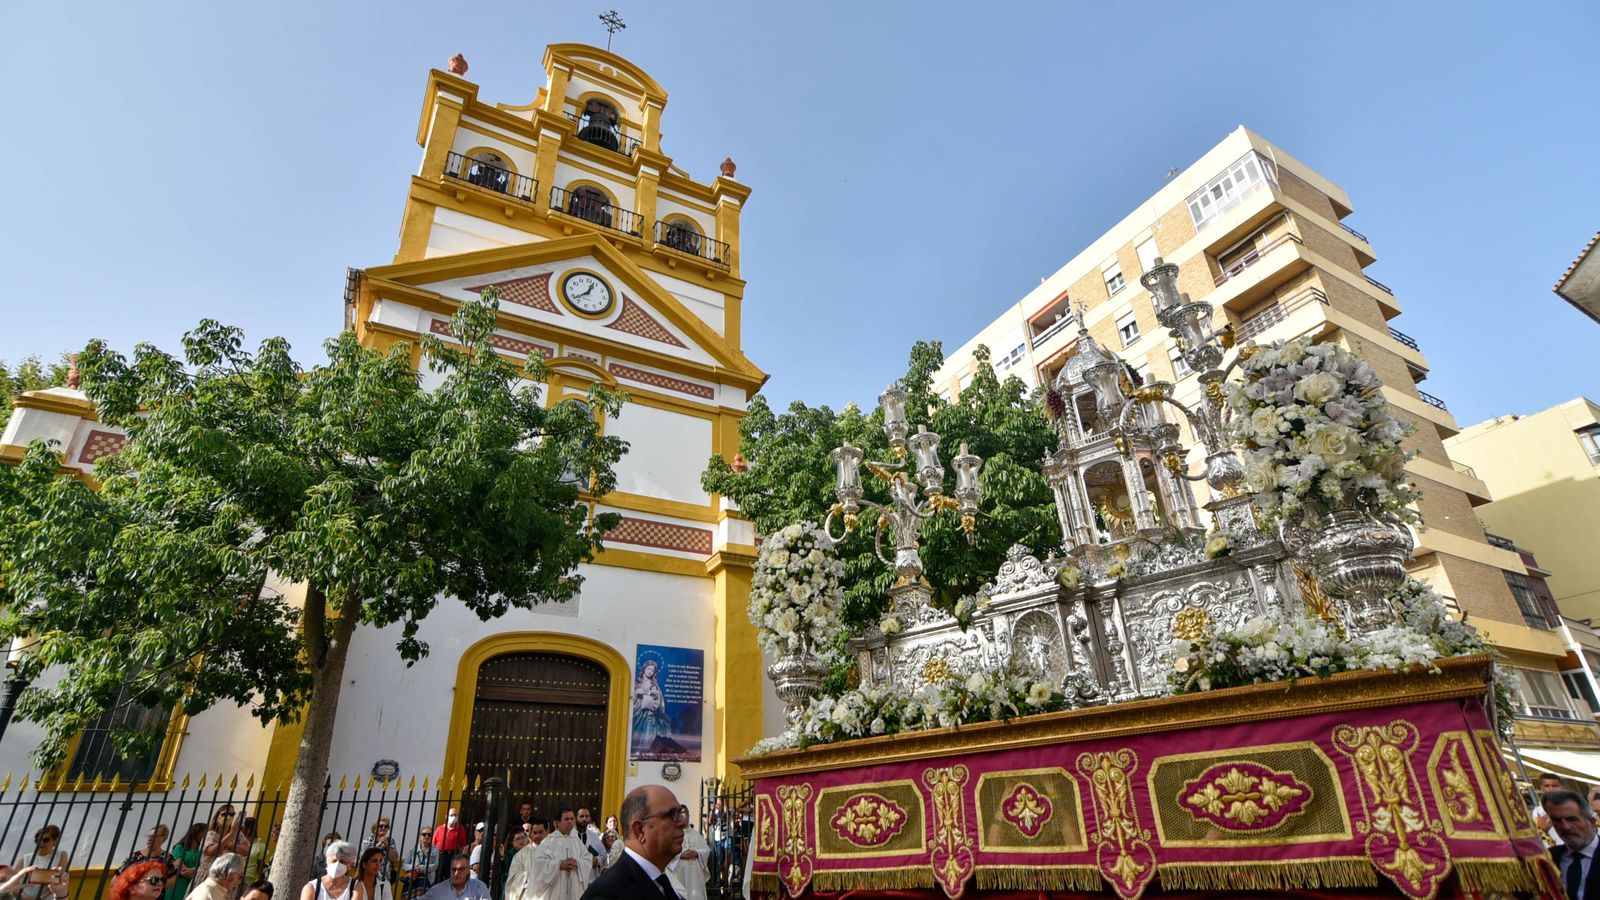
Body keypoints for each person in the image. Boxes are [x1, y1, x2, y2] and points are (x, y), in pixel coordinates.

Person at [580, 785, 687, 900]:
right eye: (671, 814)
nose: (683, 822)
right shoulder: (608, 894)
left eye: (680, 812)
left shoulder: (661, 883)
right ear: (639, 830)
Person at [1545, 788, 1600, 898]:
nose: (1565, 827)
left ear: (1592, 823)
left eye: (1572, 819)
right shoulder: (1548, 859)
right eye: (1557, 820)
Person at [528, 809, 593, 900]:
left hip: (573, 890)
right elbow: (539, 864)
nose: (570, 822)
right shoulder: (548, 842)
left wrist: (578, 863)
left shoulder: (577, 841)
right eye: (566, 819)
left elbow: (587, 858)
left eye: (571, 819)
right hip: (554, 890)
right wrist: (559, 864)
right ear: (558, 822)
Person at [664, 808, 709, 900]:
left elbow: (706, 850)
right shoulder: (672, 834)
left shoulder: (696, 834)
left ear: (688, 816)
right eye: (680, 814)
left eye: (685, 814)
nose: (683, 816)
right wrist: (680, 855)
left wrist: (696, 853)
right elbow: (666, 852)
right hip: (679, 873)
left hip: (695, 876)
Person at [14, 824, 69, 900]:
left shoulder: (61, 855)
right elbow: (12, 882)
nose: (41, 843)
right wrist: (24, 897)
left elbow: (59, 881)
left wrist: (40, 898)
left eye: (45, 840)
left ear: (55, 841)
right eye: (37, 840)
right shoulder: (25, 859)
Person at [196, 806, 247, 885]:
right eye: (224, 814)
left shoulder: (238, 834)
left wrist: (230, 844)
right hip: (209, 877)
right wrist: (231, 834)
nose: (228, 817)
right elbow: (211, 851)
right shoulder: (211, 834)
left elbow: (246, 850)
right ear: (217, 817)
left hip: (227, 879)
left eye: (232, 814)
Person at [300, 841, 367, 900]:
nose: (337, 864)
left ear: (350, 865)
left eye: (342, 861)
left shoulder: (355, 887)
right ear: (326, 861)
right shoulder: (311, 887)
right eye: (334, 861)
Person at [631, 661, 672, 753]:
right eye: (648, 668)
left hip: (650, 712)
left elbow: (659, 698)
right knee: (637, 730)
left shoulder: (654, 684)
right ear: (644, 669)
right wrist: (638, 693)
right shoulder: (637, 681)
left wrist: (655, 694)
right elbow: (633, 695)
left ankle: (644, 749)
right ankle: (635, 749)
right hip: (638, 711)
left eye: (652, 670)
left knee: (649, 731)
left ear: (654, 673)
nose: (650, 671)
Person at [420, 855, 488, 900]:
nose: (456, 873)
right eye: (454, 869)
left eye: (460, 869)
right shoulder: (437, 890)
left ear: (468, 870)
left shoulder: (479, 887)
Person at [168, 823, 207, 900]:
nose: (206, 835)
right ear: (196, 832)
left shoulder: (201, 850)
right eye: (204, 832)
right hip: (179, 884)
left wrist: (194, 871)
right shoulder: (180, 847)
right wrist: (195, 871)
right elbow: (179, 866)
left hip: (194, 885)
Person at [361, 818, 403, 890]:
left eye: (386, 826)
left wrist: (387, 845)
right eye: (381, 826)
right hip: (370, 875)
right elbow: (366, 857)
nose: (384, 828)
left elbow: (394, 859)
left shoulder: (390, 841)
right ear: (375, 828)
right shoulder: (368, 841)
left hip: (385, 877)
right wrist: (378, 845)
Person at [432, 810, 469, 886]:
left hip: (453, 856)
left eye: (455, 815)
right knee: (438, 879)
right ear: (447, 816)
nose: (454, 817)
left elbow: (463, 845)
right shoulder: (439, 829)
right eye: (452, 815)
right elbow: (434, 844)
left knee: (450, 879)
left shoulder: (460, 829)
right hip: (440, 856)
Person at [403, 828, 439, 900]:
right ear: (420, 836)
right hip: (412, 879)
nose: (426, 836)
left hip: (426, 879)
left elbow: (435, 865)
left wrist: (420, 867)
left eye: (429, 835)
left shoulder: (435, 849)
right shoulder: (413, 849)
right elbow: (404, 865)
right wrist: (413, 867)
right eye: (424, 834)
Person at [575, 808, 606, 873]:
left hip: (591, 878)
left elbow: (604, 856)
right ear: (576, 818)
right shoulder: (569, 836)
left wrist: (596, 860)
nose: (584, 819)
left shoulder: (594, 836)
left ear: (589, 818)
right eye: (581, 816)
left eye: (586, 816)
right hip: (574, 877)